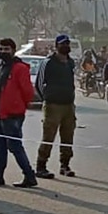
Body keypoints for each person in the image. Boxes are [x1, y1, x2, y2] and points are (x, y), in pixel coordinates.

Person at [0, 38, 38, 188]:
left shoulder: (19, 68)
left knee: (15, 146)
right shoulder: (2, 66)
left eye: (6, 49)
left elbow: (28, 92)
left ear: (13, 50)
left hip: (13, 114)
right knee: (0, 147)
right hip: (0, 113)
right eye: (1, 49)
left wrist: (18, 106)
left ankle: (29, 176)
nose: (3, 52)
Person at [34, 34, 77, 179]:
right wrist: (46, 99)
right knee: (48, 137)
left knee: (68, 137)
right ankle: (41, 166)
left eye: (67, 44)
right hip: (53, 105)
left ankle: (65, 165)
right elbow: (39, 84)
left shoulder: (70, 62)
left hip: (68, 105)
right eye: (63, 44)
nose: (66, 46)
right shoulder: (49, 62)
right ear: (56, 46)